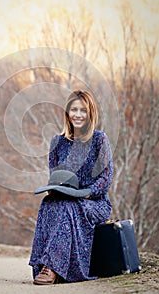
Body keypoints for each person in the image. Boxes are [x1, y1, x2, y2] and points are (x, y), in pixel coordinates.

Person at [29, 90, 114, 285]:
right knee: (48, 204)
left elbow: (106, 177)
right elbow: (55, 177)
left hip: (94, 201)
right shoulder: (57, 142)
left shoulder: (100, 139)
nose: (78, 114)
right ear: (67, 113)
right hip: (65, 197)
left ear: (90, 113)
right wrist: (55, 190)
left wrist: (86, 194)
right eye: (74, 109)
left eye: (83, 110)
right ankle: (42, 264)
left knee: (69, 208)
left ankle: (52, 268)